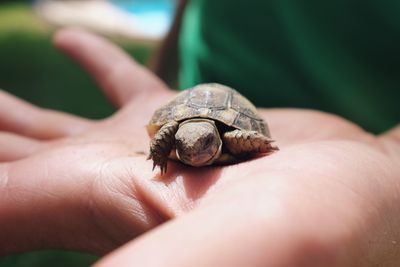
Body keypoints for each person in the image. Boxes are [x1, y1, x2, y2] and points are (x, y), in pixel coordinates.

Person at [0, 4, 399, 267]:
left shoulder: (231, 136)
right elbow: (168, 133)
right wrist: (162, 144)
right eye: (183, 147)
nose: (193, 154)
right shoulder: (178, 136)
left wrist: (389, 155)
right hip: (205, 66)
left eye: (203, 145)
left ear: (215, 140)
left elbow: (245, 137)